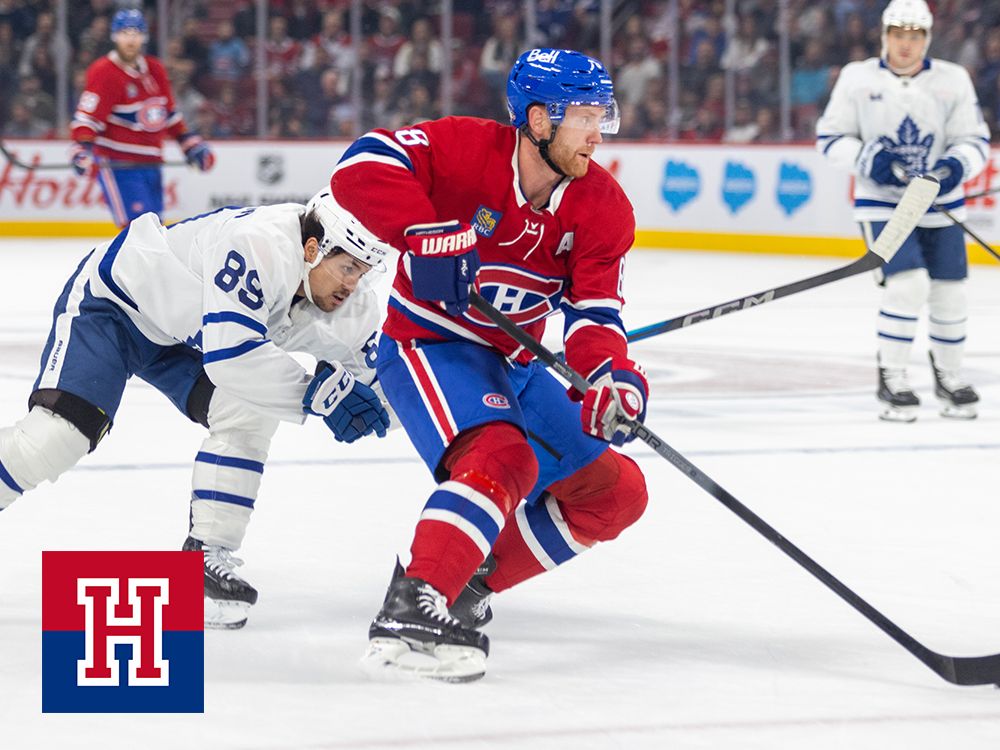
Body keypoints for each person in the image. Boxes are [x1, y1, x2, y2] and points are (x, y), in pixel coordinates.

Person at [330, 47, 651, 682]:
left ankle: (466, 582)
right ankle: (413, 604)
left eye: (602, 115)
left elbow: (594, 316)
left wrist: (609, 377)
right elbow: (361, 164)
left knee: (614, 495)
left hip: (516, 361)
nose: (599, 132)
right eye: (586, 116)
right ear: (538, 120)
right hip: (430, 342)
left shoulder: (602, 207)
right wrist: (422, 233)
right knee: (505, 456)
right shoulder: (464, 149)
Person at [0, 191, 393, 629]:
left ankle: (204, 562)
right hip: (119, 306)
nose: (352, 286)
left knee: (249, 410)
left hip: (189, 335)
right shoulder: (259, 243)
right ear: (312, 248)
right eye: (348, 268)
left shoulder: (352, 307)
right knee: (57, 438)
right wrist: (320, 396)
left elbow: (386, 393)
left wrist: (452, 441)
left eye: (364, 272)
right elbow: (231, 356)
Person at [816, 0, 989, 421]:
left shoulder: (953, 79)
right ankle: (893, 378)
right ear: (884, 36)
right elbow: (830, 137)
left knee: (951, 293)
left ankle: (950, 377)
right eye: (898, 35)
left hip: (941, 205)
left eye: (914, 37)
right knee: (907, 286)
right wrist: (870, 160)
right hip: (884, 205)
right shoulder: (858, 78)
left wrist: (954, 167)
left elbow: (975, 139)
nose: (905, 45)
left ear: (926, 39)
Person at [69, 9, 215, 228]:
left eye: (136, 33)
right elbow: (86, 118)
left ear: (144, 36)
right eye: (125, 33)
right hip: (119, 165)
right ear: (114, 36)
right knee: (137, 232)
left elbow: (168, 114)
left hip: (152, 164)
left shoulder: (155, 69)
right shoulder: (104, 72)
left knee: (155, 231)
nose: (130, 38)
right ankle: (110, 264)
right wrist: (82, 149)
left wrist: (190, 144)